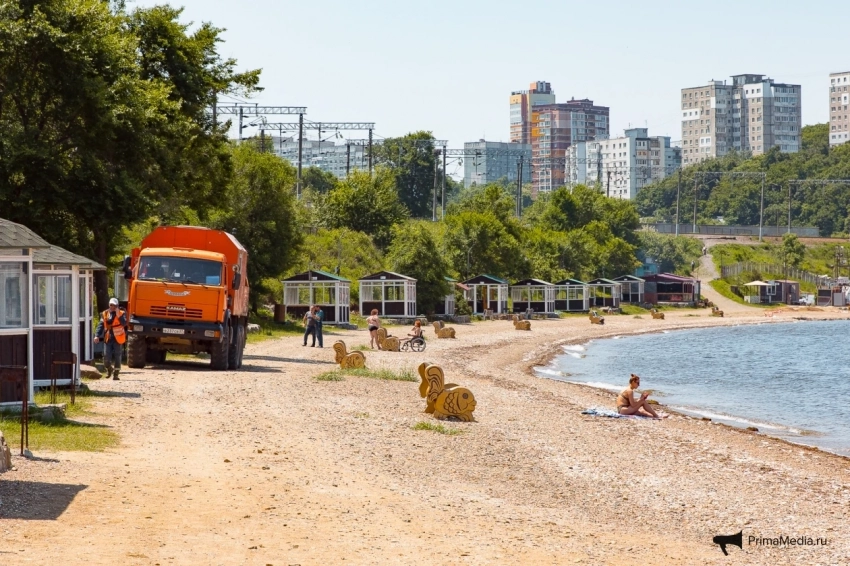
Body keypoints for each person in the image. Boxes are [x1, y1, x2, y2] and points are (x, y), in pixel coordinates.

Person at [94, 298, 128, 380]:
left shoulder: (122, 313)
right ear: (109, 305)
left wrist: (119, 315)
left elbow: (124, 323)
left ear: (117, 306)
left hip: (118, 338)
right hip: (108, 338)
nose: (112, 307)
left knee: (117, 356)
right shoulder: (105, 313)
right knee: (106, 356)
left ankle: (116, 374)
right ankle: (109, 369)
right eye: (111, 305)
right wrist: (97, 335)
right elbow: (101, 325)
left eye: (114, 305)